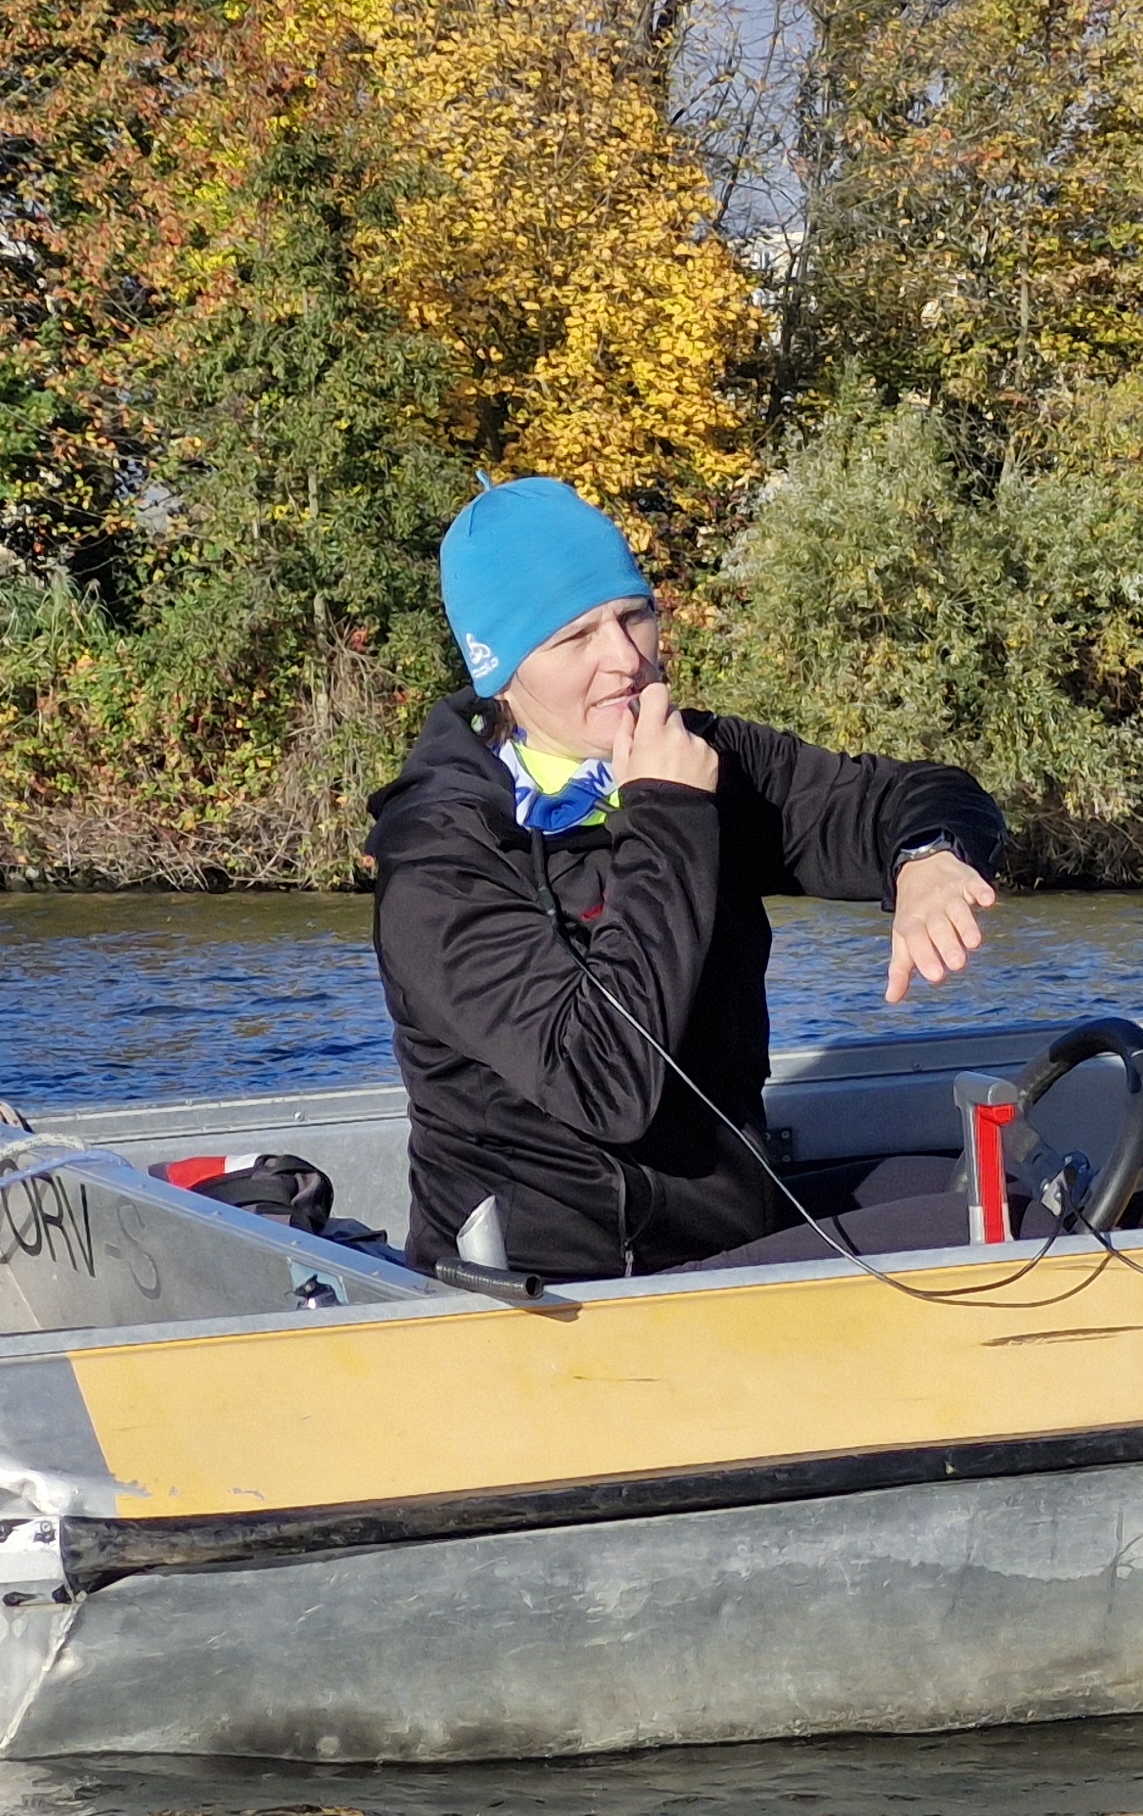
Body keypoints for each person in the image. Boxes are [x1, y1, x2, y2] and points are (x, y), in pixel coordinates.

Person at [368, 476, 1007, 1282]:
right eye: (574, 638)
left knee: (1015, 1195)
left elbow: (910, 795)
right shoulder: (440, 858)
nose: (626, 660)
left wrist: (929, 857)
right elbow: (606, 1083)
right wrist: (667, 813)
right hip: (562, 1291)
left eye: (633, 615)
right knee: (1013, 1232)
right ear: (499, 670)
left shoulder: (700, 756)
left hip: (729, 1238)